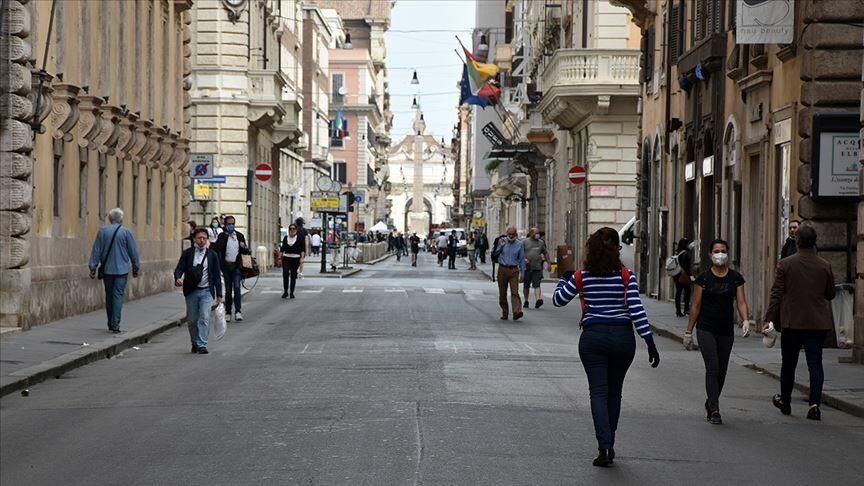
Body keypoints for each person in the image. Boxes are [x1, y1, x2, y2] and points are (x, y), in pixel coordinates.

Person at [552, 227, 659, 467]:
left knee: (598, 393)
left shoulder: (582, 276)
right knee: (615, 392)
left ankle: (605, 446)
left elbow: (559, 300)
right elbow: (636, 309)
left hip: (594, 338)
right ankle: (610, 439)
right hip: (622, 338)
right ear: (616, 250)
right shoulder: (625, 276)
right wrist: (649, 340)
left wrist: (564, 279)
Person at [765, 224, 835, 420]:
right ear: (814, 243)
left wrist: (768, 319)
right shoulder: (825, 265)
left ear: (797, 242)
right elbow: (830, 294)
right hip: (817, 323)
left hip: (792, 322)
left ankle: (785, 402)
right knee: (815, 364)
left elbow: (776, 294)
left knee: (789, 364)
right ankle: (814, 405)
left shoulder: (785, 264)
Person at [683, 239, 751, 425]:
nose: (720, 254)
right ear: (710, 255)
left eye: (723, 251)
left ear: (728, 253)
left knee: (722, 370)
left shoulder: (735, 278)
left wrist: (745, 319)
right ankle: (714, 408)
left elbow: (741, 302)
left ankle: (710, 400)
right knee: (712, 367)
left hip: (725, 329)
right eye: (716, 251)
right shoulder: (703, 278)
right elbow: (695, 306)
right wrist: (688, 331)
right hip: (706, 328)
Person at [88, 208, 141, 333]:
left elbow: (96, 250)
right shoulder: (126, 232)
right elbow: (133, 252)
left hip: (107, 270)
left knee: (109, 296)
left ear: (110, 219)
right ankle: (115, 324)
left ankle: (110, 322)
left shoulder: (103, 231)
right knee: (118, 296)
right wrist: (135, 267)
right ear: (121, 219)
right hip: (122, 270)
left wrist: (93, 267)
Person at [174, 227, 223, 354]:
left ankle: (202, 344)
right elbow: (179, 268)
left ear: (207, 240)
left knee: (204, 318)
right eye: (199, 238)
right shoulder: (187, 253)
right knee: (192, 320)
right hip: (191, 291)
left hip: (206, 291)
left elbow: (217, 276)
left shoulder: (212, 255)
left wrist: (219, 294)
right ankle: (194, 342)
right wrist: (178, 278)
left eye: (204, 238)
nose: (202, 240)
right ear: (195, 239)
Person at [214, 215, 247, 322]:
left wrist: (244, 247)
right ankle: (228, 312)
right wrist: (226, 236)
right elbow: (217, 248)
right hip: (226, 266)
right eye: (229, 224)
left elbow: (246, 252)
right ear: (225, 225)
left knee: (237, 288)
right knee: (228, 290)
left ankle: (238, 311)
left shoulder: (239, 236)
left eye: (233, 224)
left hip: (237, 266)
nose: (231, 226)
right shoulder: (222, 236)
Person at [494, 227, 525, 321]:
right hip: (502, 269)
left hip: (514, 270)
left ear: (515, 234)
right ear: (507, 233)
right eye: (509, 234)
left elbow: (521, 259)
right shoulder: (501, 241)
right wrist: (501, 246)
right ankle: (505, 312)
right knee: (502, 293)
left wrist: (522, 273)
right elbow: (495, 254)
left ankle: (516, 312)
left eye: (513, 234)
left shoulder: (519, 244)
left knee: (515, 292)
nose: (511, 236)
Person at [522, 227, 551, 309]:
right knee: (526, 286)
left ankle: (538, 299)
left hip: (537, 267)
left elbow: (545, 253)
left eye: (538, 233)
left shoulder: (541, 243)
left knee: (537, 284)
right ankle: (526, 300)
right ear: (531, 233)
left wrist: (549, 263)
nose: (538, 235)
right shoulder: (524, 242)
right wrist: (524, 259)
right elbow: (520, 253)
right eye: (536, 233)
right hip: (527, 268)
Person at [280, 223, 306, 299]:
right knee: (285, 274)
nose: (292, 230)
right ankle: (285, 291)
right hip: (286, 258)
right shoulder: (285, 238)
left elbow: (302, 249)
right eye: (290, 229)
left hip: (296, 258)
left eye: (293, 228)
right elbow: (282, 249)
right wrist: (279, 257)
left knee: (293, 275)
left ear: (296, 230)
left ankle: (291, 292)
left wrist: (302, 258)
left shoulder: (299, 238)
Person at [673, 238, 693, 317]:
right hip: (684, 275)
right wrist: (690, 276)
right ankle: (686, 309)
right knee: (687, 291)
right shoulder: (686, 253)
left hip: (676, 274)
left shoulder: (678, 252)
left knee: (678, 292)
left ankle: (678, 311)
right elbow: (686, 266)